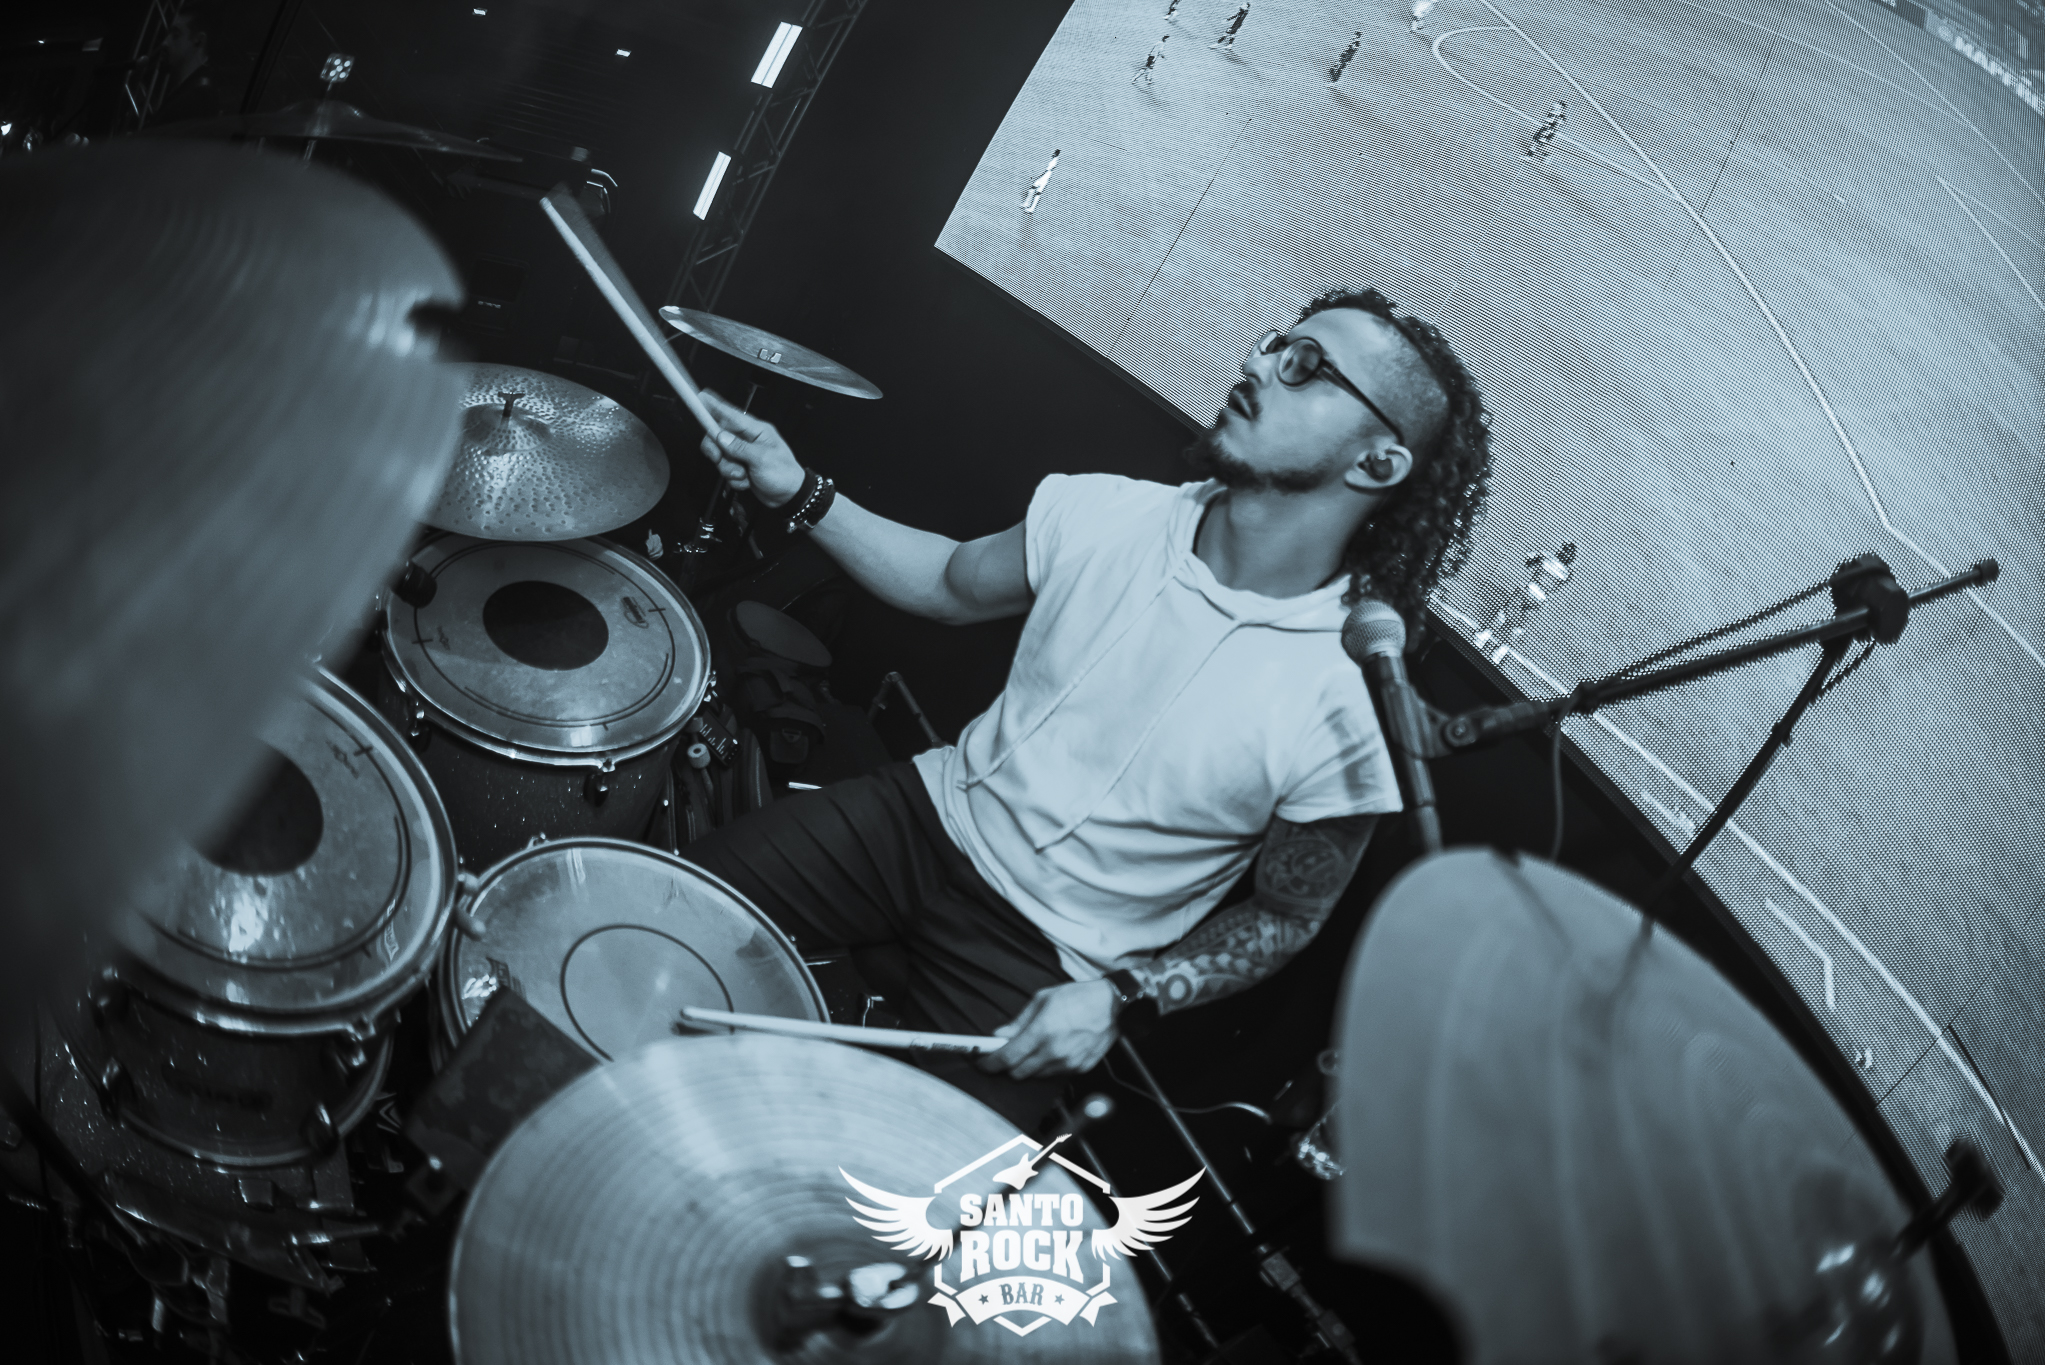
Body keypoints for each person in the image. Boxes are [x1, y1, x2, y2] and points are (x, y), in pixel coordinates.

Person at [681, 287, 1494, 1126]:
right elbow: (947, 581)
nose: (1256, 363)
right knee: (657, 917)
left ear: (1376, 463)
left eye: (1304, 365)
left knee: (891, 1187)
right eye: (1272, 343)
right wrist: (797, 490)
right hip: (919, 818)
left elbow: (1286, 914)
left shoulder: (1350, 698)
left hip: (1049, 959)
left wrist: (1123, 996)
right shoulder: (1108, 510)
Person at [1020, 149, 1059, 213]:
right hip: (1046, 178)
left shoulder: (1053, 161)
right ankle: (1030, 207)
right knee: (1037, 192)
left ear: (1056, 154)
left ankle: (1028, 205)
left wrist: (1038, 176)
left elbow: (1046, 170)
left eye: (1054, 153)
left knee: (1033, 190)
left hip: (1043, 178)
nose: (1052, 154)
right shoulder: (1056, 160)